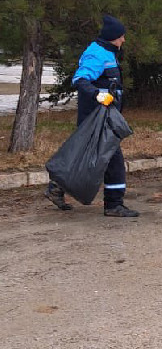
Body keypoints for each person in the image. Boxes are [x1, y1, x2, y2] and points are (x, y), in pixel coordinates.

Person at [45, 15, 139, 217]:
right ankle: (114, 205)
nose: (124, 40)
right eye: (122, 37)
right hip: (96, 119)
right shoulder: (97, 53)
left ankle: (56, 187)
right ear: (113, 37)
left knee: (88, 158)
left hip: (103, 118)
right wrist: (98, 94)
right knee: (112, 160)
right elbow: (80, 79)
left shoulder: (107, 52)